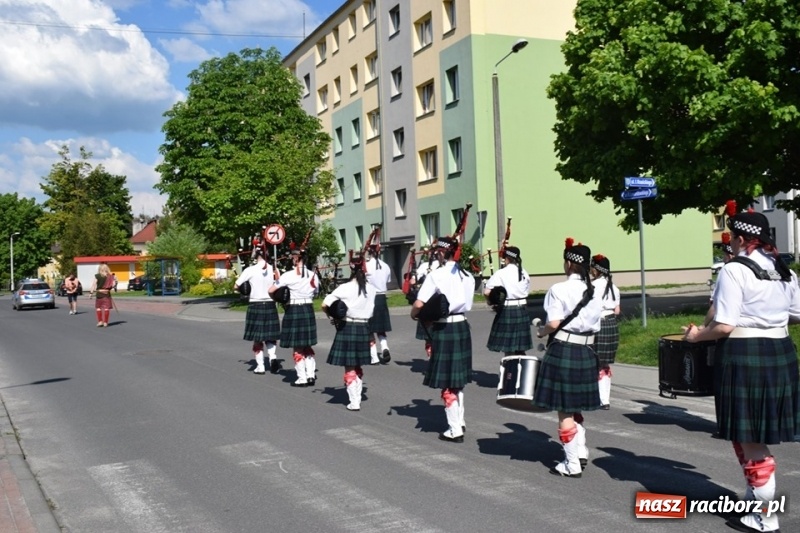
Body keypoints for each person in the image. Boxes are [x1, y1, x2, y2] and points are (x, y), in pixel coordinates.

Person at [684, 209, 800, 533]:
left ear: (740, 239)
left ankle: (764, 517)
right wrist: (768, 317)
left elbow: (724, 325)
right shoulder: (783, 270)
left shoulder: (734, 270)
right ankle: (754, 500)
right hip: (781, 353)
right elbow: (798, 314)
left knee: (751, 441)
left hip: (744, 353)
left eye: (732, 237)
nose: (730, 243)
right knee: (745, 435)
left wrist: (696, 336)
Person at [533, 238, 603, 478]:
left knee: (565, 410)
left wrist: (542, 331)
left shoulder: (558, 289)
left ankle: (572, 464)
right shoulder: (595, 291)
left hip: (564, 350)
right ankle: (581, 452)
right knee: (576, 408)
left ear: (569, 264)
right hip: (587, 352)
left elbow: (553, 323)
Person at [410, 236, 475, 443]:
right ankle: (459, 420)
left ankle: (455, 429)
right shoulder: (468, 276)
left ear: (440, 252)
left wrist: (414, 314)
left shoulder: (436, 275)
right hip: (462, 325)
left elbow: (420, 304)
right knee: (457, 380)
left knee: (447, 381)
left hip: (444, 326)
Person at [322, 254, 376, 411]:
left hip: (348, 326)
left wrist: (332, 317)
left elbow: (325, 304)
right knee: (357, 363)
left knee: (349, 366)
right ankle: (357, 396)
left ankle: (354, 402)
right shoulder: (371, 289)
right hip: (365, 327)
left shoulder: (345, 287)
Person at [270, 247, 320, 387]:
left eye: (293, 257)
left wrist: (279, 300)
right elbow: (316, 292)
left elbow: (271, 290)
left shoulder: (287, 275)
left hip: (293, 309)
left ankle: (302, 378)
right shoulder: (313, 275)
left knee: (297, 347)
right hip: (308, 308)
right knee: (307, 344)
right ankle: (311, 375)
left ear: (295, 258)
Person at [235, 248, 281, 375]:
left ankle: (260, 366)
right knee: (270, 337)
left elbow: (236, 285)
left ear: (256, 255)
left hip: (255, 304)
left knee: (258, 337)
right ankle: (272, 357)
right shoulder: (274, 269)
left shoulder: (250, 270)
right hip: (271, 304)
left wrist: (246, 290)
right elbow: (280, 286)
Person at [483, 246, 532, 356]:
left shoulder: (501, 273)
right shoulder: (524, 272)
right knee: (520, 348)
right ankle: (521, 371)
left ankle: (509, 372)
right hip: (522, 310)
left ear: (506, 258)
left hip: (507, 310)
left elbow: (486, 292)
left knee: (508, 349)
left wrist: (491, 302)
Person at [590, 254, 620, 410]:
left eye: (592, 267)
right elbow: (617, 310)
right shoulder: (613, 287)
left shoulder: (593, 285)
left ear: (596, 269)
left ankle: (593, 396)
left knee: (592, 360)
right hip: (611, 324)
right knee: (604, 363)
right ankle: (605, 399)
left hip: (598, 324)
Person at [365, 244, 393, 364]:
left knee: (369, 328)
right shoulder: (386, 266)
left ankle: (374, 357)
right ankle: (385, 347)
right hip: (382, 297)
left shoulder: (365, 265)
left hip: (370, 297)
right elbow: (388, 281)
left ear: (369, 253)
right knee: (380, 328)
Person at [412, 249, 441, 359]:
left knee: (428, 335)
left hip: (426, 302)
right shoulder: (447, 266)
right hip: (442, 303)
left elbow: (413, 281)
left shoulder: (425, 266)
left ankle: (431, 355)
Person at [90, 263, 115, 327]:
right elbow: (113, 285)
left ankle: (100, 321)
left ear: (100, 269)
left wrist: (91, 293)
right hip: (107, 294)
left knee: (98, 308)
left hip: (99, 294)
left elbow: (93, 284)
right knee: (106, 308)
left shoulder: (97, 276)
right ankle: (106, 322)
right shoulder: (110, 276)